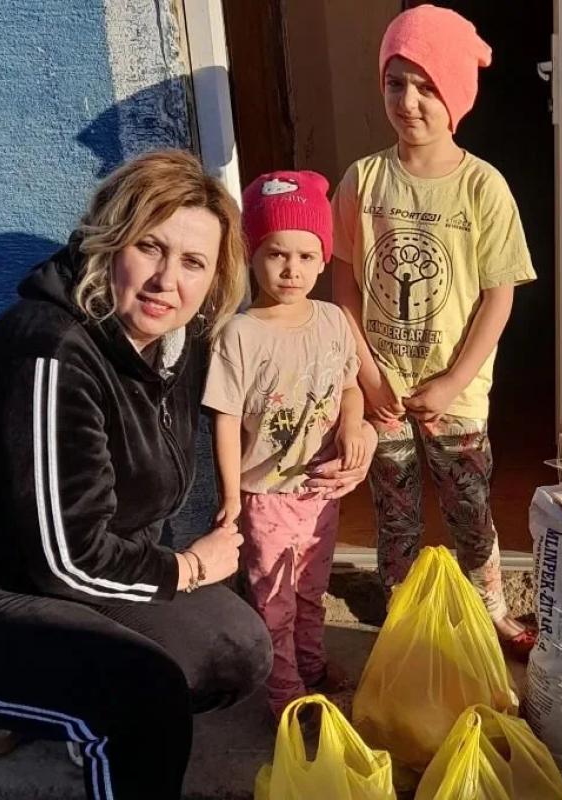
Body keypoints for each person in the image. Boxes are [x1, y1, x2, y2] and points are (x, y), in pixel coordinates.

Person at [0, 150, 365, 799]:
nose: (166, 279)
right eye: (150, 246)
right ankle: (56, 702)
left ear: (215, 278)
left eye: (194, 262)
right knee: (142, 699)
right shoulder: (49, 351)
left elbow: (298, 381)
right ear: (110, 241)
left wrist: (359, 426)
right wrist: (189, 567)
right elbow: (67, 559)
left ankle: (57, 701)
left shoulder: (174, 346)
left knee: (239, 651)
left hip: (64, 570)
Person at [331, 5, 538, 659]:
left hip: (457, 395)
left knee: (469, 506)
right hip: (382, 390)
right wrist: (368, 374)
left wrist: (452, 381)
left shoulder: (483, 187)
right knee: (393, 510)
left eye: (427, 86)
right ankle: (402, 610)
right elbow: (343, 282)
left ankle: (490, 609)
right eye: (396, 83)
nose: (409, 101)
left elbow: (499, 298)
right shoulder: (363, 180)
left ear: (456, 95)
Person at [204, 169, 373, 720]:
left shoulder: (333, 321)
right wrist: (233, 496)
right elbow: (225, 418)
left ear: (323, 259)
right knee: (273, 600)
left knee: (310, 592)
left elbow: (349, 387)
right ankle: (285, 696)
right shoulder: (239, 334)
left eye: (305, 255)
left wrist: (353, 426)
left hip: (321, 492)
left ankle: (313, 667)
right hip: (267, 496)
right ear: (252, 255)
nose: (291, 269)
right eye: (277, 253)